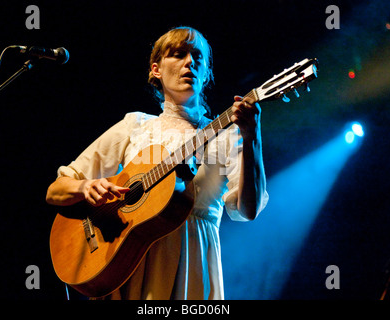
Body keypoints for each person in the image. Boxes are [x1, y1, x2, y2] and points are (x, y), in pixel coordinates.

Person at [46, 26, 268, 300]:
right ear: (156, 70)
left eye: (198, 57)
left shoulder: (227, 134)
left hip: (191, 263)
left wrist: (252, 137)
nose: (189, 62)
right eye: (178, 54)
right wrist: (86, 188)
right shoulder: (135, 126)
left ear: (206, 73)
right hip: (123, 260)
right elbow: (55, 191)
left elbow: (248, 210)